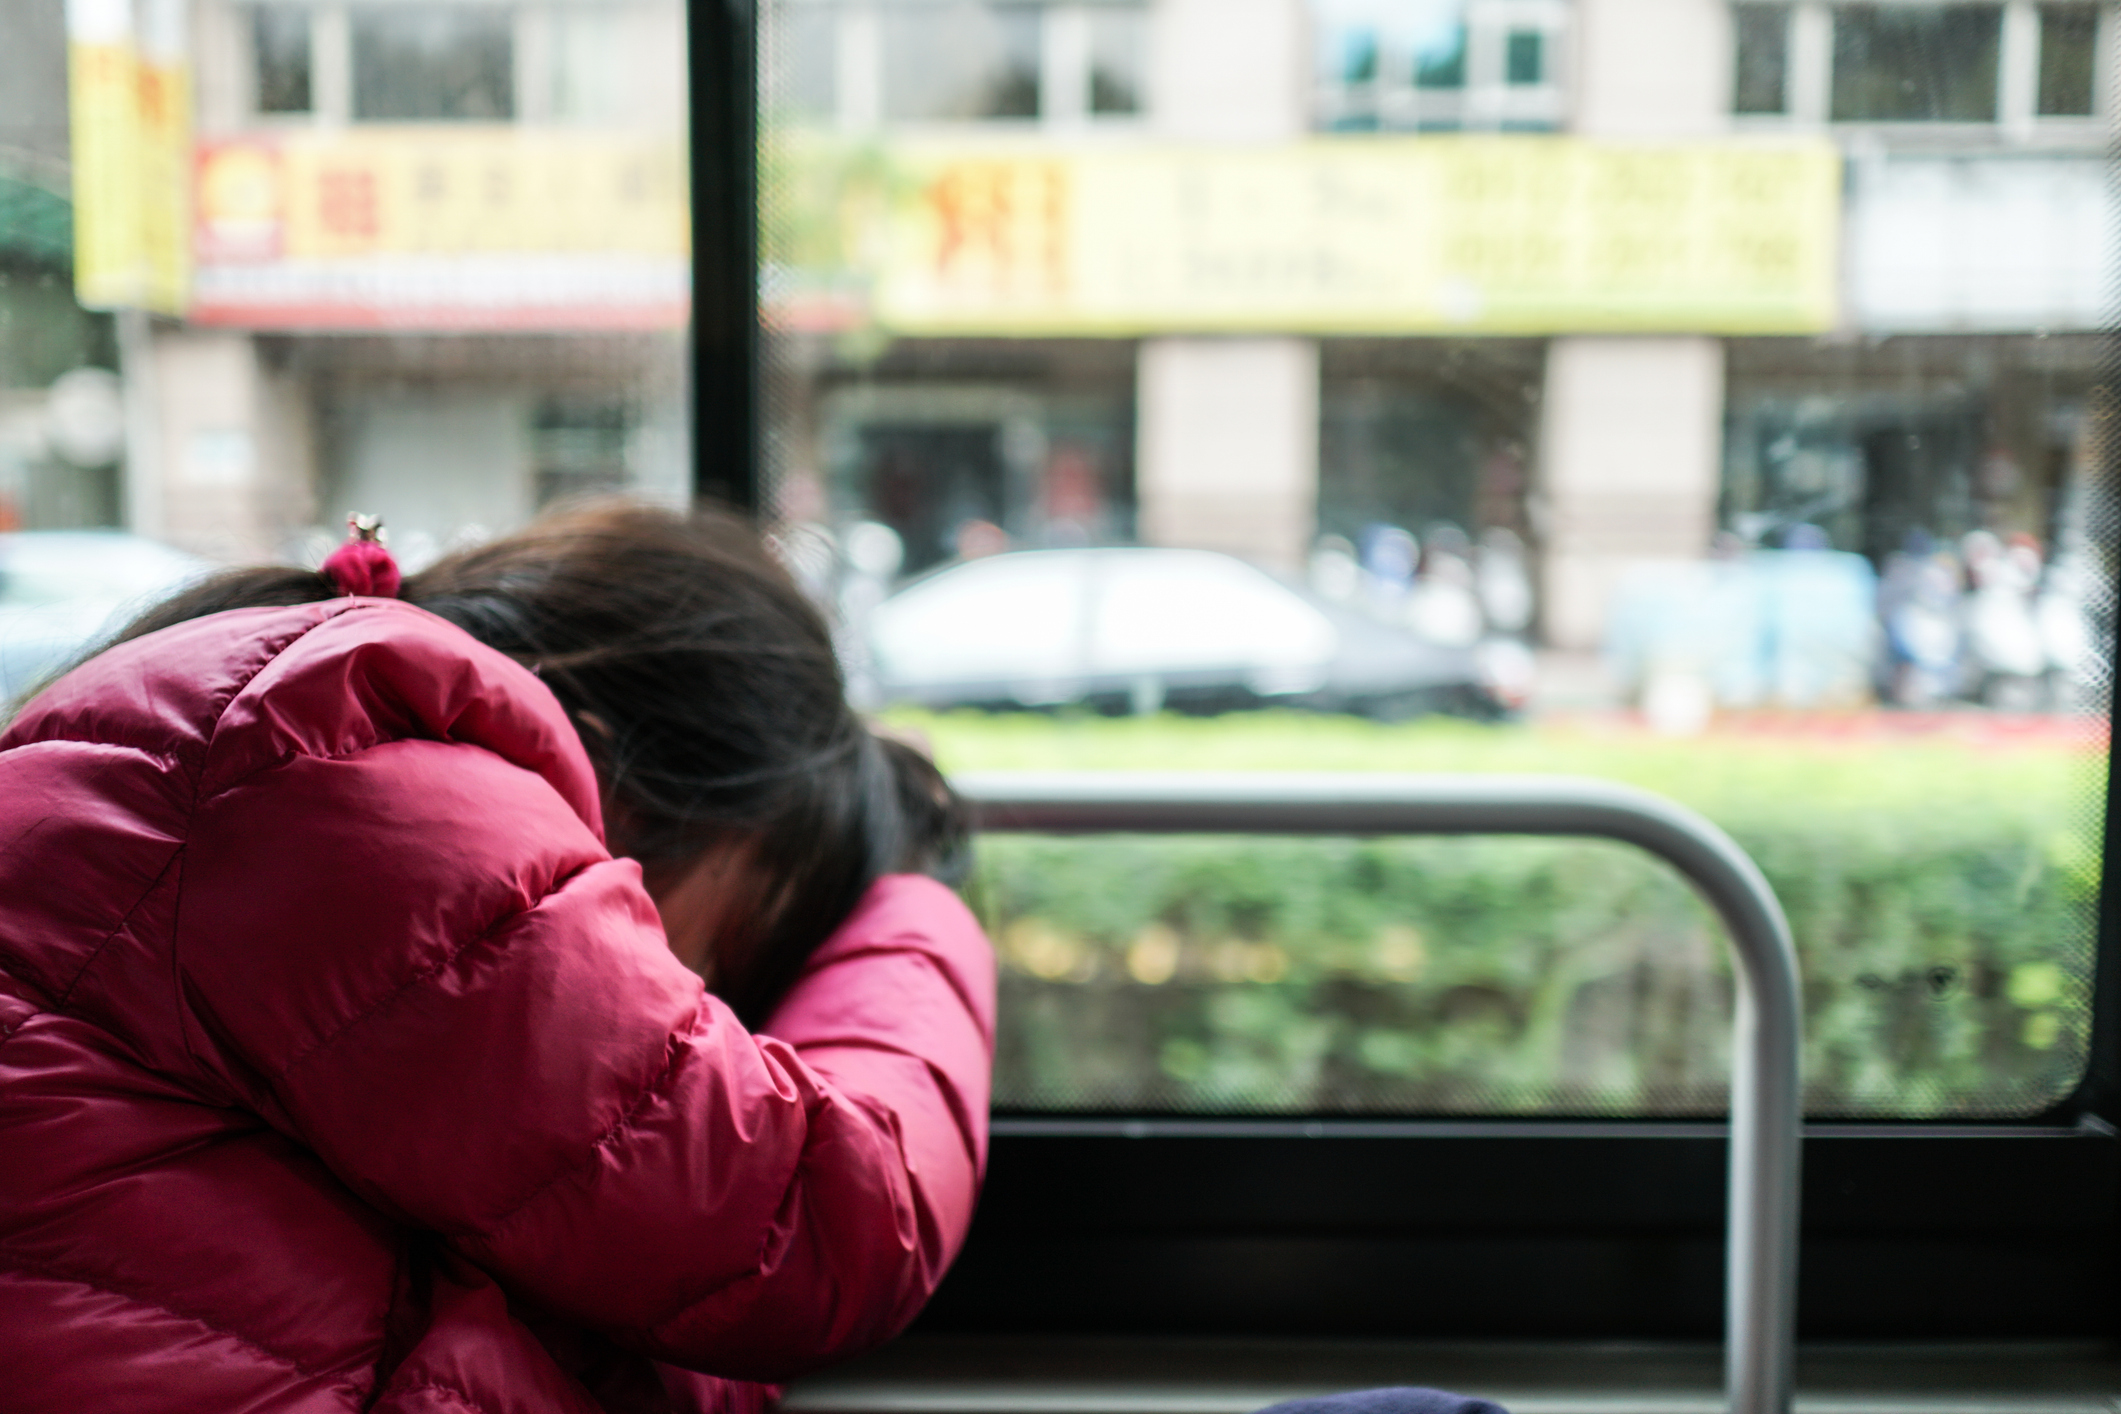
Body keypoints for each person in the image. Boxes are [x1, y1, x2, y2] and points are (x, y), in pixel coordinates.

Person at [0, 500, 997, 1412]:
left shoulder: (279, 752)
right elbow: (814, 1229)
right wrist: (915, 909)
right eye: (719, 953)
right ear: (617, 782)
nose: (698, 1003)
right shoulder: (362, 783)